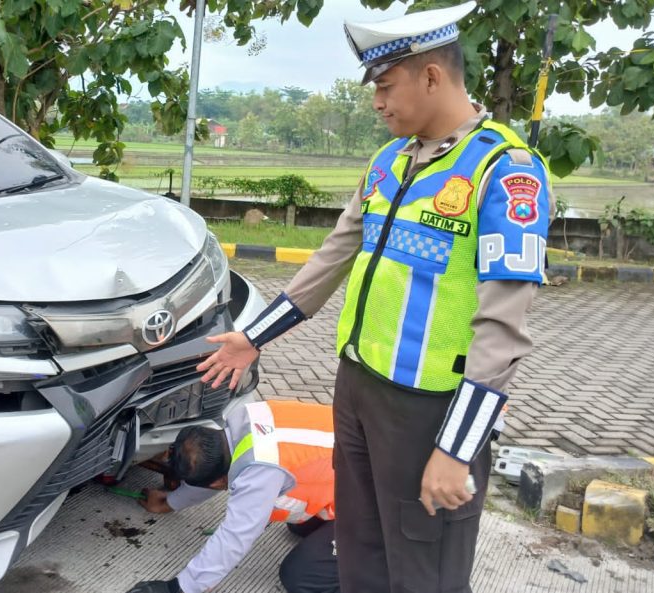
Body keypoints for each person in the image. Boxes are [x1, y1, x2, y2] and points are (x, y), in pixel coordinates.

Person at [194, 2, 554, 592]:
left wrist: (456, 448)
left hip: (429, 409)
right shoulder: (388, 162)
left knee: (424, 570)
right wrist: (251, 338)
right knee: (360, 552)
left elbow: (504, 327)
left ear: (432, 76)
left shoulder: (505, 170)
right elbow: (333, 257)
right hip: (356, 388)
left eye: (386, 86)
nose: (377, 102)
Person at [125, 400, 338, 593]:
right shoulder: (242, 419)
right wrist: (169, 502)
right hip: (358, 458)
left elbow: (236, 535)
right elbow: (214, 469)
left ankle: (369, 565)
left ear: (218, 483)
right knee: (300, 525)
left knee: (300, 577)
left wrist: (181, 588)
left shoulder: (261, 471)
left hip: (369, 500)